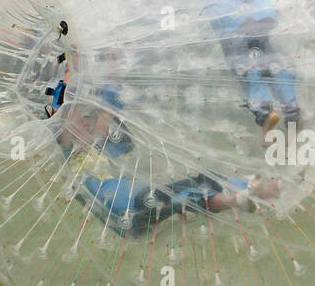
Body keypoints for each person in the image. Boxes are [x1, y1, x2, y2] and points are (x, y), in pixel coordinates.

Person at [137, 0, 301, 130]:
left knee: (245, 67)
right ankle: (292, 108)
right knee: (267, 59)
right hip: (263, 14)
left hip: (236, 23)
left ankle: (264, 112)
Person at [53, 99, 277, 237]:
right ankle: (237, 197)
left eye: (82, 118)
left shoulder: (97, 148)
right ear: (63, 132)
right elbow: (61, 126)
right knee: (186, 192)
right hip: (128, 210)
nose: (83, 121)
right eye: (76, 121)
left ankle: (256, 188)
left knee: (194, 185)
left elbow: (105, 119)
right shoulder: (68, 157)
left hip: (136, 201)